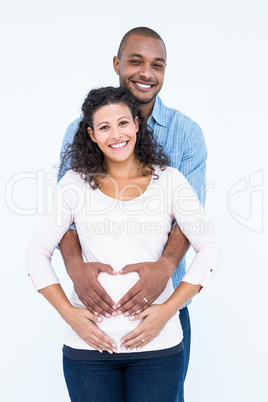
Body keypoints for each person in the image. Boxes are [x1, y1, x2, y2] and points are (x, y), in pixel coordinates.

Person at [26, 86, 220, 402]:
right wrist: (69, 314)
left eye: (123, 123)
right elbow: (36, 252)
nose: (116, 134)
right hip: (88, 350)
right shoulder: (74, 184)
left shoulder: (169, 180)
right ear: (91, 134)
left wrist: (169, 310)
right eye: (104, 127)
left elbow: (209, 247)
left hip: (157, 347)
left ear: (137, 125)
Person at [58, 27, 207, 400]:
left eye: (157, 65)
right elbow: (64, 218)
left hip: (163, 306)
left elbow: (192, 223)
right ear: (117, 64)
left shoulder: (186, 133)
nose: (146, 72)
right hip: (96, 311)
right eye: (136, 61)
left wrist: (164, 268)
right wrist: (75, 269)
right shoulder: (80, 132)